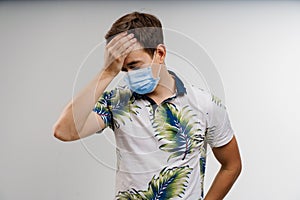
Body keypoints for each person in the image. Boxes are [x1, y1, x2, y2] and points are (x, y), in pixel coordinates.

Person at [53, 12, 242, 200]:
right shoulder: (114, 102)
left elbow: (232, 165)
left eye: (135, 65)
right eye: (123, 69)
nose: (129, 75)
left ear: (159, 53)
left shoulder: (204, 104)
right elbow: (65, 131)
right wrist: (107, 72)